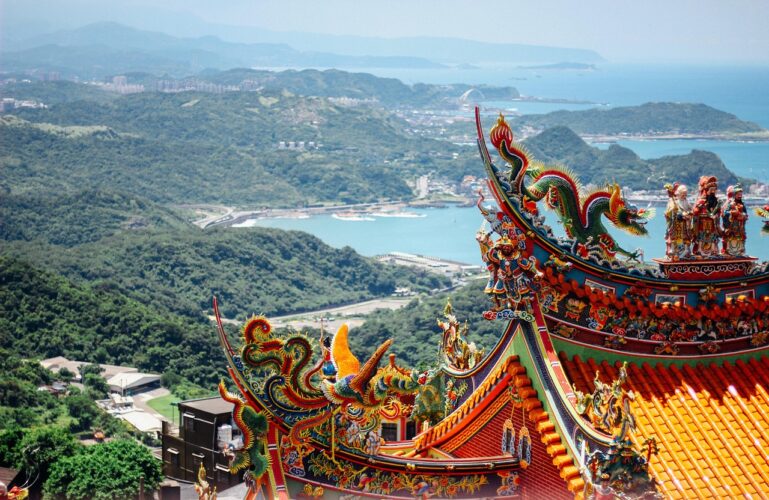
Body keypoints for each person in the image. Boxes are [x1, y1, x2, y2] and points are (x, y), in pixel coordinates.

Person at [691, 176, 722, 257]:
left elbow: (719, 213)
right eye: (711, 190)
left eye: (714, 190)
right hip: (702, 224)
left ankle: (713, 250)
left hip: (712, 225)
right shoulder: (701, 201)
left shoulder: (716, 202)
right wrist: (700, 210)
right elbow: (695, 212)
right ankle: (700, 250)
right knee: (702, 236)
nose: (713, 192)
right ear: (706, 190)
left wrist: (716, 215)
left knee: (712, 237)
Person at [664, 184, 692, 260]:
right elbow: (670, 212)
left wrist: (688, 214)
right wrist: (680, 214)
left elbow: (690, 210)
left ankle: (686, 250)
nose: (684, 196)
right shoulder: (674, 201)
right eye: (683, 194)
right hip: (676, 223)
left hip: (684, 223)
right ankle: (673, 250)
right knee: (674, 236)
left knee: (685, 236)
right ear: (678, 194)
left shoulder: (686, 201)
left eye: (685, 194)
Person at [722, 184, 748, 256]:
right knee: (731, 238)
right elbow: (725, 213)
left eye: (741, 194)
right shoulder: (730, 204)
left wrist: (744, 215)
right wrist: (732, 213)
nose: (740, 195)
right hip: (732, 226)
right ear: (734, 194)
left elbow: (746, 214)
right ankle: (728, 251)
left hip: (740, 227)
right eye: (738, 194)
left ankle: (740, 251)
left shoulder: (743, 204)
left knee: (740, 238)